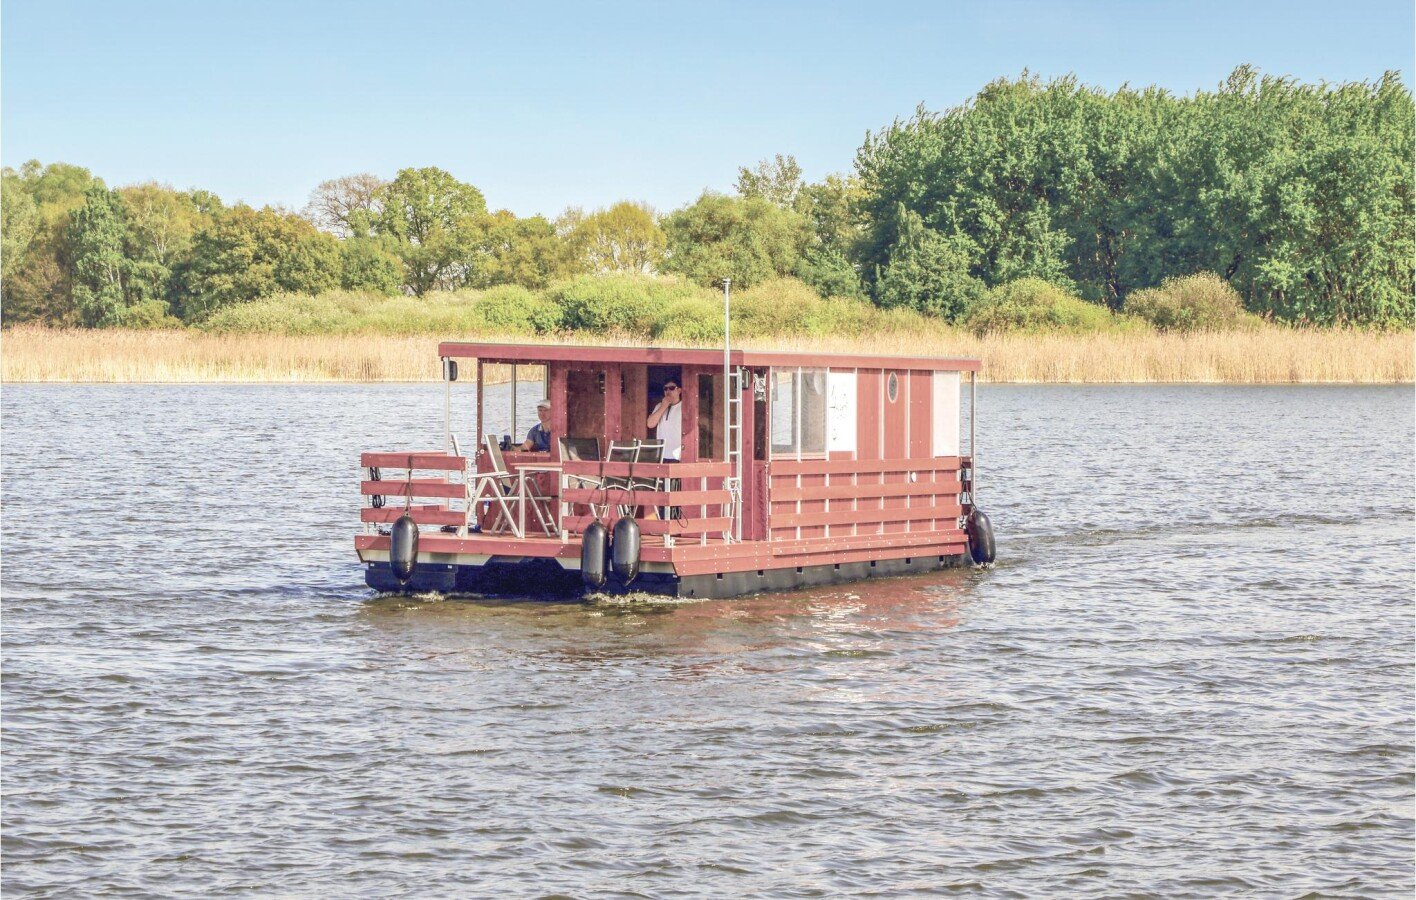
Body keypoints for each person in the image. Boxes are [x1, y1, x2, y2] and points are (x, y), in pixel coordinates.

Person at [646, 379, 682, 461]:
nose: (668, 391)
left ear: (679, 390)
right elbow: (650, 424)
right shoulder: (659, 406)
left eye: (672, 388)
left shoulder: (684, 407)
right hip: (662, 454)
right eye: (665, 389)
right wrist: (663, 406)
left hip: (678, 455)